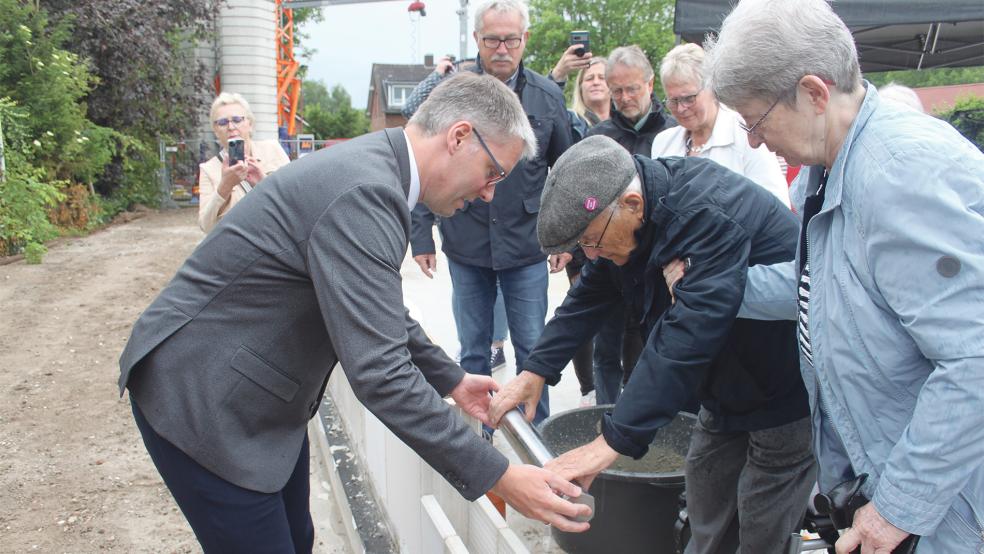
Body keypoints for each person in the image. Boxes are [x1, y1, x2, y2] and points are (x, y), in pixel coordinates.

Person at [117, 73, 590, 553]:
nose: (490, 193)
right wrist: (502, 475)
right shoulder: (367, 191)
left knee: (296, 538)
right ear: (460, 137)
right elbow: (381, 374)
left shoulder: (376, 170)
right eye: (493, 173)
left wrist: (450, 378)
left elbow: (374, 306)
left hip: (253, 390)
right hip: (206, 397)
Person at [704, 0, 984, 551]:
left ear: (813, 92)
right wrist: (712, 289)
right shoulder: (825, 167)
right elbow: (819, 286)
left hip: (944, 509)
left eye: (757, 120)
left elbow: (974, 358)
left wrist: (898, 507)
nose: (755, 142)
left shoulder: (898, 175)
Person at [489, 135, 816, 553]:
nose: (589, 254)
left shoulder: (703, 212)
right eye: (581, 245)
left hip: (783, 385)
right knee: (706, 492)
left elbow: (684, 339)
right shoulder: (625, 218)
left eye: (591, 239)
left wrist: (609, 443)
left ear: (631, 204)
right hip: (724, 384)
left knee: (761, 518)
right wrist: (536, 370)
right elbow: (590, 293)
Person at [404, 0, 573, 427]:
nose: (501, 49)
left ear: (524, 41)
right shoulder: (454, 96)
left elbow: (566, 172)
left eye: (510, 40)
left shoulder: (547, 96)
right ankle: (481, 439)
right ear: (477, 39)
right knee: (474, 352)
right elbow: (422, 160)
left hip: (526, 246)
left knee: (534, 352)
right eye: (492, 39)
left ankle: (540, 440)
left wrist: (565, 238)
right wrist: (421, 235)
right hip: (467, 242)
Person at [584, 45, 677, 404]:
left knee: (647, 347)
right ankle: (606, 416)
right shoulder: (598, 138)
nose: (624, 98)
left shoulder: (671, 134)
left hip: (654, 263)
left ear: (650, 83)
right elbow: (585, 201)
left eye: (632, 88)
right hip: (609, 262)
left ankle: (642, 421)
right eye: (616, 90)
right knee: (605, 350)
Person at [650, 43, 788, 205]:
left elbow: (777, 206)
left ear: (712, 88)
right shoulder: (663, 142)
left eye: (689, 98)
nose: (681, 108)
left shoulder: (747, 136)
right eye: (673, 100)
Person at [197, 92, 291, 233]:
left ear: (250, 123)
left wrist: (263, 183)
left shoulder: (273, 149)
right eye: (223, 122)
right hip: (239, 248)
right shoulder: (208, 169)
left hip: (276, 239)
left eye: (236, 119)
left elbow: (293, 200)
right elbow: (206, 226)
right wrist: (225, 186)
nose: (231, 127)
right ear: (216, 131)